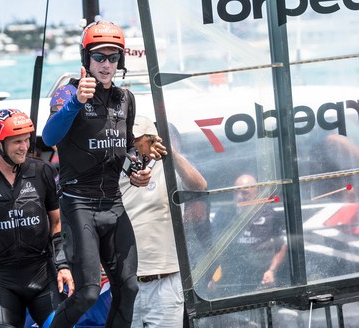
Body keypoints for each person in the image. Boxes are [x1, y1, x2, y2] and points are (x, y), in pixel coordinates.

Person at [42, 21, 167, 327]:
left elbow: (122, 150)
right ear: (87, 59)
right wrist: (76, 102)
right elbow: (48, 137)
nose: (106, 64)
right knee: (87, 293)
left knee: (129, 286)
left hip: (113, 201)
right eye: (99, 57)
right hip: (78, 204)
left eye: (113, 57)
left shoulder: (126, 98)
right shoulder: (68, 91)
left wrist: (136, 170)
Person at [0, 109, 73, 327]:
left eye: (27, 140)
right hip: (2, 280)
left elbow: (56, 222)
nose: (24, 147)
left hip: (42, 274)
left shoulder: (43, 171)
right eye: (17, 141)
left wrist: (63, 265)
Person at [119, 116, 207, 328]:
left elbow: (199, 186)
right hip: (127, 282)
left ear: (152, 140)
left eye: (138, 140)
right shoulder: (117, 168)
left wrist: (172, 154)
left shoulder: (167, 166)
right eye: (129, 140)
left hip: (165, 279)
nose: (133, 146)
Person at [207, 174, 287, 296]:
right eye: (236, 193)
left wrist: (271, 271)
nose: (239, 197)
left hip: (261, 274)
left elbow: (281, 246)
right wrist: (214, 277)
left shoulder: (269, 215)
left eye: (245, 193)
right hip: (233, 277)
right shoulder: (224, 215)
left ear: (256, 194)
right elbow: (218, 251)